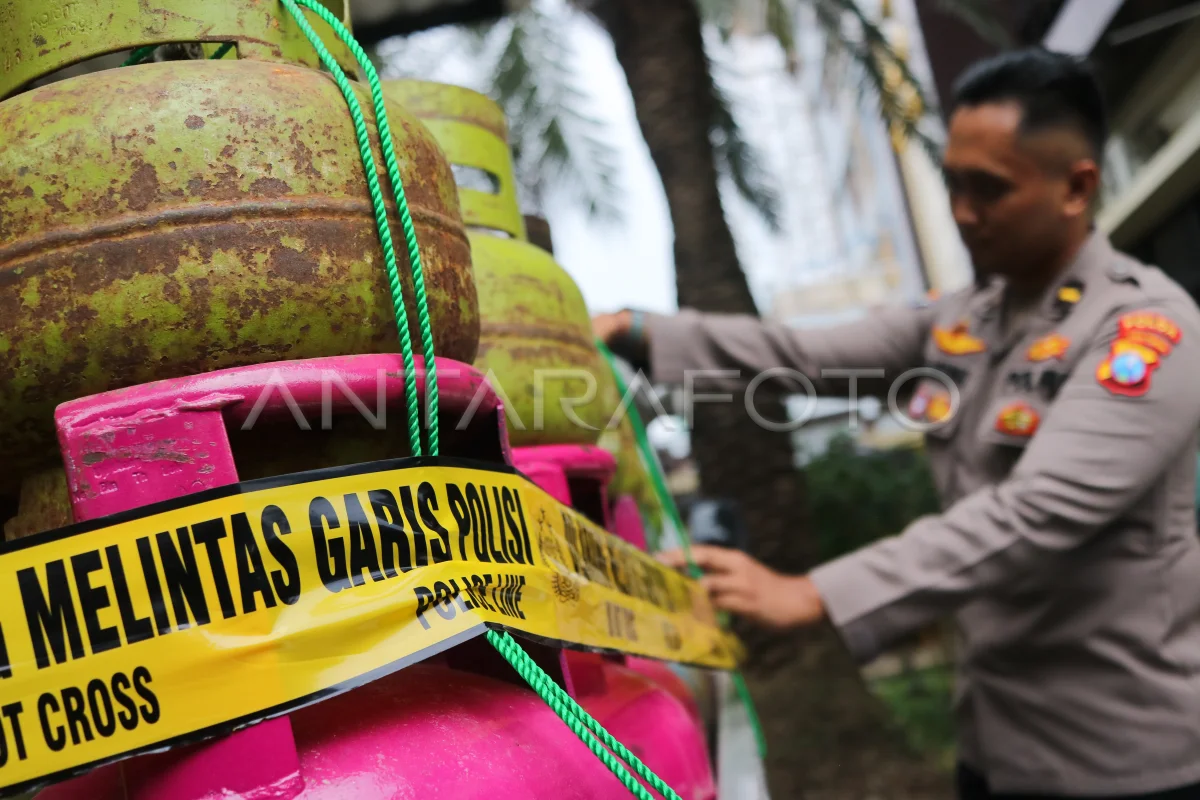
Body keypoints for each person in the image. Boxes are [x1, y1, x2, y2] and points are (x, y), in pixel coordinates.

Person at [594, 48, 1200, 800]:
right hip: (999, 742)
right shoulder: (963, 319)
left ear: (1077, 186)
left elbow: (1035, 513)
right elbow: (801, 356)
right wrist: (636, 330)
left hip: (1127, 757)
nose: (963, 212)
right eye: (953, 184)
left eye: (990, 189)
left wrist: (814, 592)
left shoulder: (1144, 330)